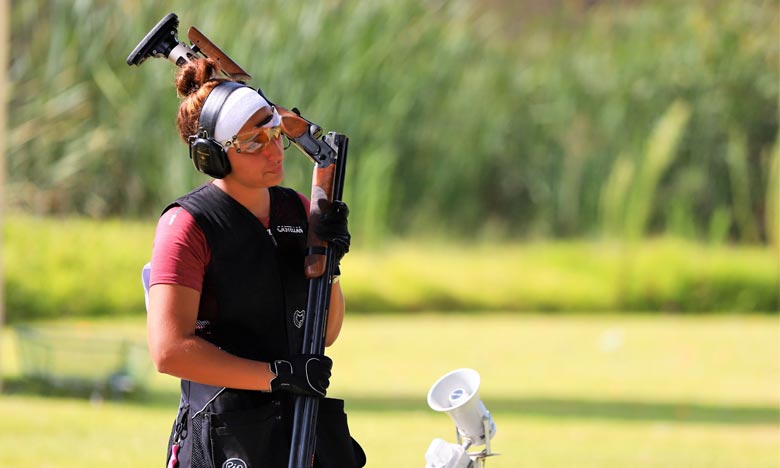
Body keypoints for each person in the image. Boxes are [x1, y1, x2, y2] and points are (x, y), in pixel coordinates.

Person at [145, 57, 364, 468]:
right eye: (253, 142)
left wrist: (330, 265)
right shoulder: (186, 225)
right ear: (212, 155)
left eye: (275, 133)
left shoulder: (297, 208)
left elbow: (326, 332)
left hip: (303, 429)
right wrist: (277, 376)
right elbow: (169, 351)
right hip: (227, 436)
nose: (274, 150)